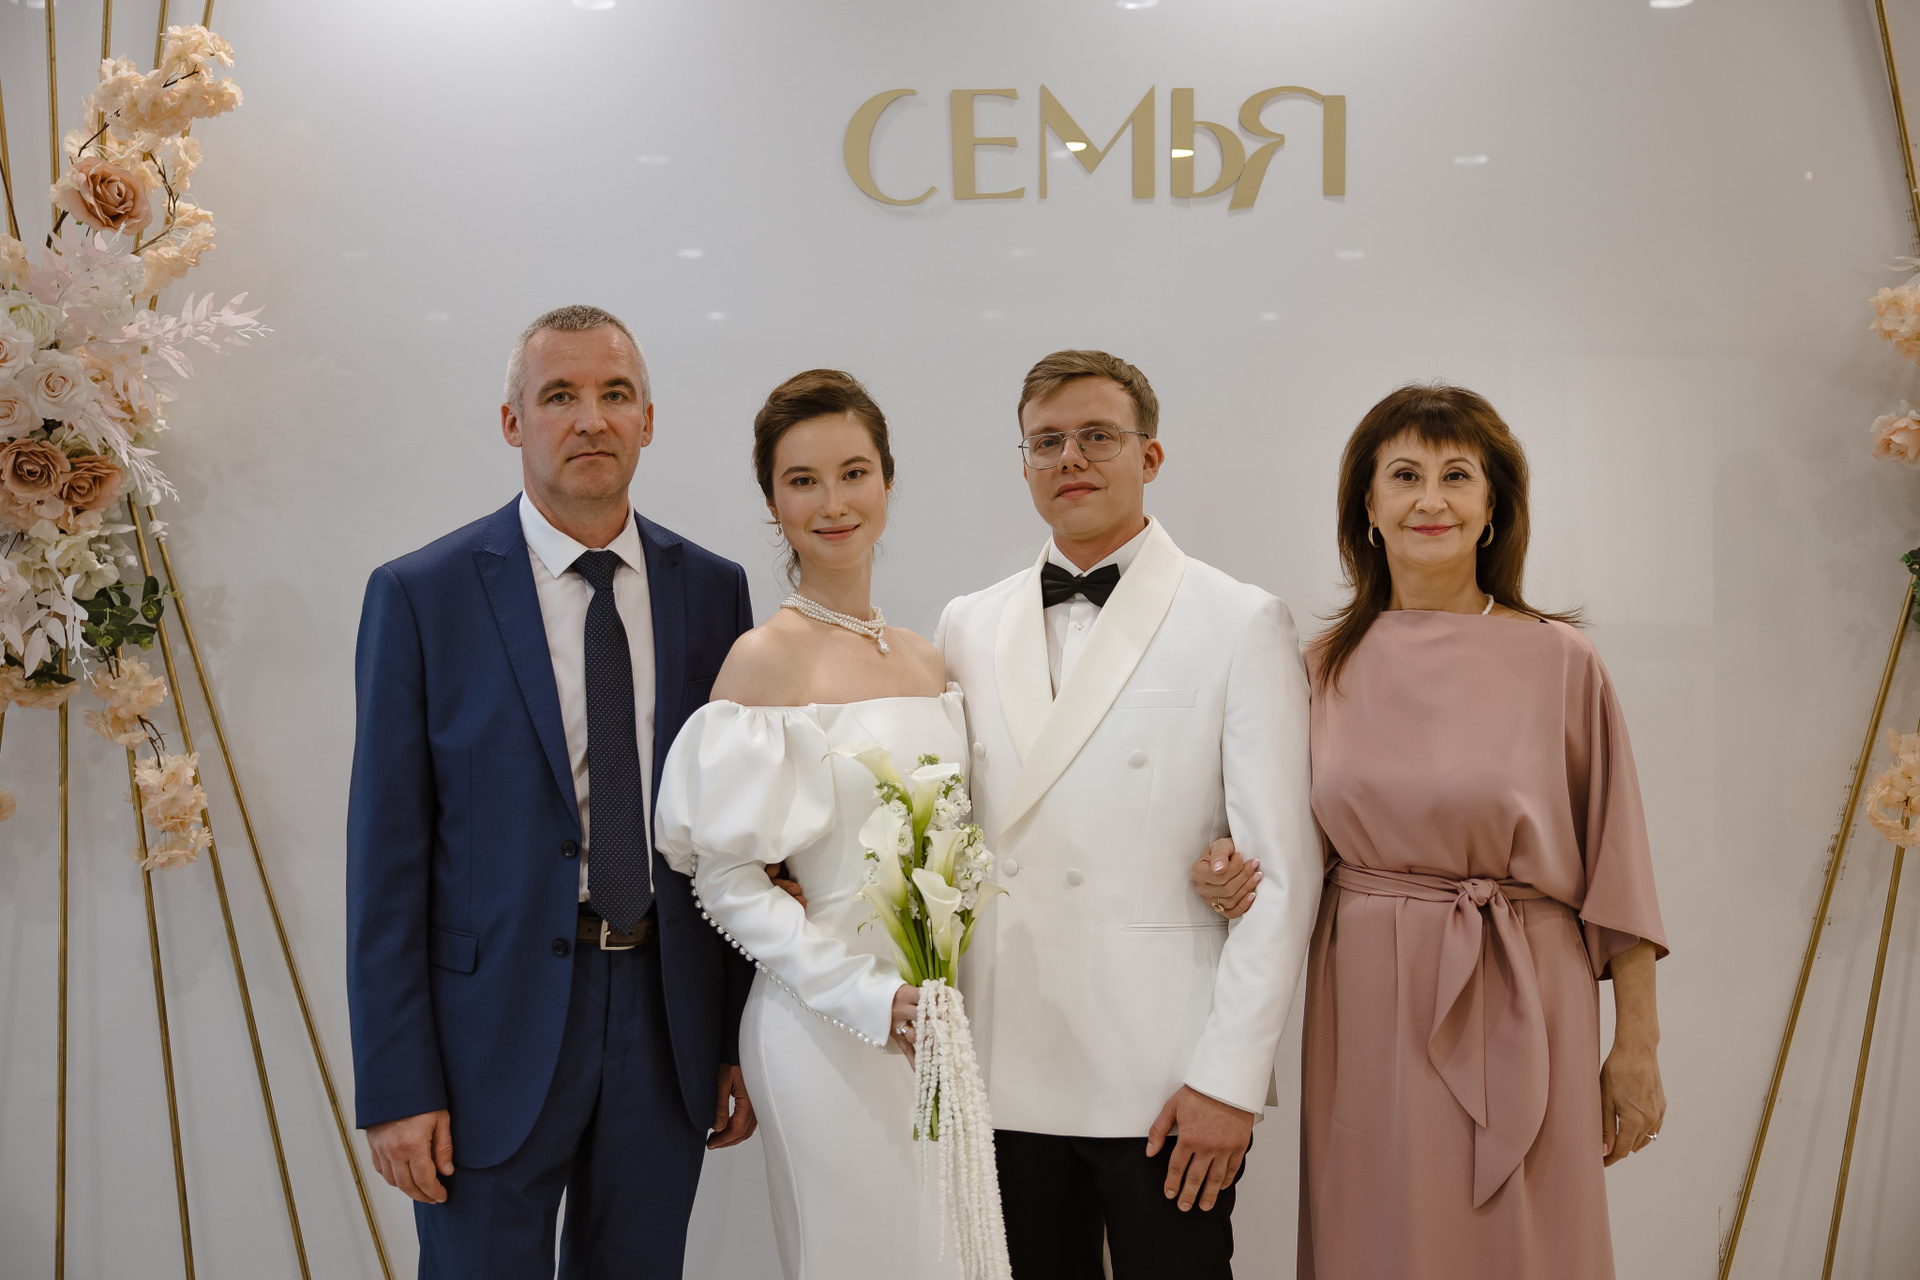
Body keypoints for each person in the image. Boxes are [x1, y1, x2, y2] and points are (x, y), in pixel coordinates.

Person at [1192, 384, 1669, 1280]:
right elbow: (1281, 843)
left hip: (1528, 984)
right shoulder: (1317, 668)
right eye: (1405, 475)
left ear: (1492, 509)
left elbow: (1620, 864)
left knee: (1527, 1241)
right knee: (1381, 1233)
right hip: (1370, 993)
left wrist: (1636, 1046)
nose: (1430, 500)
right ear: (1367, 509)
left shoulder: (1560, 660)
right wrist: (1226, 867)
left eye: (1457, 477)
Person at [345, 305, 758, 1278]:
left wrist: (733, 1036)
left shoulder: (714, 591)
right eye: (560, 395)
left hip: (665, 1018)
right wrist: (396, 1082)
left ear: (648, 419)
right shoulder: (421, 595)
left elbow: (736, 828)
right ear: (512, 421)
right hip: (485, 1033)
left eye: (615, 394)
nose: (590, 419)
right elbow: (385, 861)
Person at [933, 350, 1323, 1278]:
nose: (1070, 458)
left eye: (1097, 436)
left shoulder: (1240, 619)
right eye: (1046, 442)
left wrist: (1230, 1081)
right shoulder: (965, 625)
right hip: (1005, 1067)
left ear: (1150, 456)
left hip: (1166, 1077)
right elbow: (934, 828)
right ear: (1024, 464)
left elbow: (1282, 875)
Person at [653, 369, 969, 1278]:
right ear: (772, 502)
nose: (833, 504)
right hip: (827, 1025)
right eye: (803, 481)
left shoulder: (928, 660)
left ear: (888, 481)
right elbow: (725, 882)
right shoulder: (764, 661)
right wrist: (870, 1000)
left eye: (853, 473)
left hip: (938, 1027)